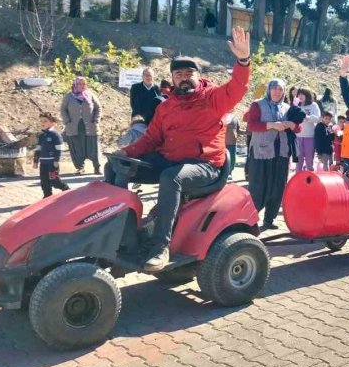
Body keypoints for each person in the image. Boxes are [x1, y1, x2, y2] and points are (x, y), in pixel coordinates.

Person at [107, 26, 252, 270]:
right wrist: (125, 153)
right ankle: (120, 234)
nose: (184, 78)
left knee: (170, 177)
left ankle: (160, 246)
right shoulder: (166, 107)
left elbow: (238, 86)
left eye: (188, 73)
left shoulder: (213, 98)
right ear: (173, 79)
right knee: (115, 167)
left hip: (205, 165)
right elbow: (150, 140)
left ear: (198, 76)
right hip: (171, 160)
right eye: (178, 74)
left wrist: (243, 60)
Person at [244, 78, 299, 230]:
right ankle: (250, 221)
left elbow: (298, 128)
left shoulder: (287, 108)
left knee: (278, 187)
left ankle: (269, 219)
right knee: (258, 187)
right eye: (274, 88)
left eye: (280, 89)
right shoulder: (258, 105)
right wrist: (271, 125)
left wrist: (292, 124)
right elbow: (251, 125)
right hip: (261, 153)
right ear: (269, 90)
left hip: (281, 153)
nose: (277, 92)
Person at [61, 76, 102, 175]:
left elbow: (98, 108)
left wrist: (96, 120)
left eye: (84, 84)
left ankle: (97, 167)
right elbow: (63, 109)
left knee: (93, 147)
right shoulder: (68, 97)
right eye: (79, 84)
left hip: (90, 126)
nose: (82, 86)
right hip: (74, 127)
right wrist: (67, 121)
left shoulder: (90, 95)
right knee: (77, 148)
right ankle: (80, 167)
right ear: (75, 84)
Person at [35, 112, 70, 198]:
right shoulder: (42, 135)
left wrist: (56, 160)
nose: (42, 123)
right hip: (43, 163)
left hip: (52, 164)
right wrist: (35, 161)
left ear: (53, 123)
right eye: (41, 121)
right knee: (44, 181)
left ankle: (67, 190)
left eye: (45, 121)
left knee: (54, 180)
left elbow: (59, 149)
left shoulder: (55, 135)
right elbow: (38, 149)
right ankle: (47, 196)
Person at [294, 88, 321, 172]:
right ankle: (298, 177)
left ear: (307, 95)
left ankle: (310, 176)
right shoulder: (297, 105)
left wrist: (306, 117)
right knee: (298, 161)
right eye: (299, 94)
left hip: (309, 137)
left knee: (309, 161)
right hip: (298, 137)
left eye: (302, 94)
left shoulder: (313, 105)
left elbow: (318, 119)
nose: (300, 96)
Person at [224, 112, 241, 180]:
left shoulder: (235, 118)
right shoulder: (221, 116)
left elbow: (238, 129)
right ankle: (226, 173)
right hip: (224, 142)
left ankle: (229, 173)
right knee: (228, 158)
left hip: (232, 142)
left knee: (231, 158)